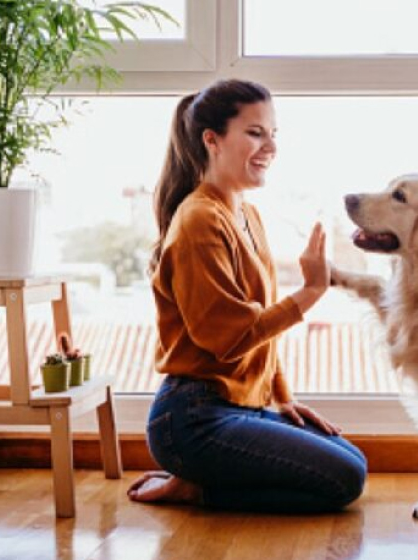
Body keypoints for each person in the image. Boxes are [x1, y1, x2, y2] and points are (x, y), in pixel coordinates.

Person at [127, 79, 367, 512]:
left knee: (353, 461)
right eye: (256, 133)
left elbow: (260, 333)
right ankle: (196, 487)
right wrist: (312, 291)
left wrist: (282, 396)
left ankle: (200, 480)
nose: (270, 146)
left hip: (240, 404)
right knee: (343, 479)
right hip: (192, 418)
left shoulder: (245, 213)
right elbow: (229, 338)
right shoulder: (199, 221)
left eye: (273, 134)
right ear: (212, 140)